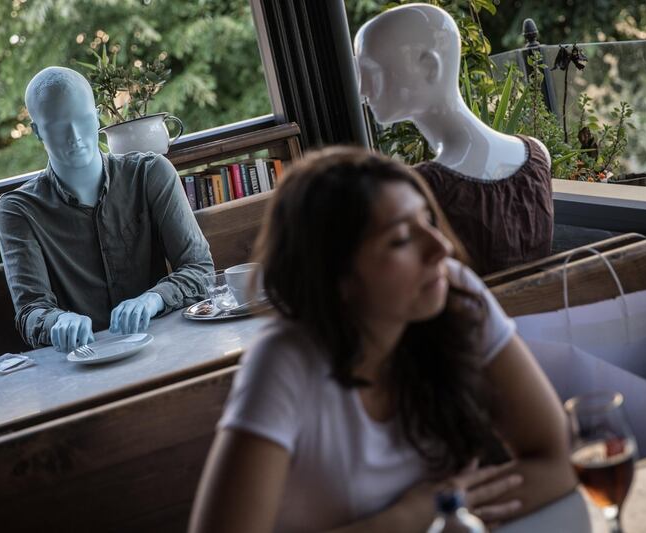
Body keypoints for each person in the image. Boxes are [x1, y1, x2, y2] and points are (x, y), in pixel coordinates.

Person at [189, 147, 575, 533]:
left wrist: (455, 515)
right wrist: (414, 517)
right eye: (402, 239)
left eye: (428, 221)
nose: (440, 248)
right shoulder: (285, 359)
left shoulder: (452, 292)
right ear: (336, 275)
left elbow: (558, 462)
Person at [0, 66, 213, 353]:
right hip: (83, 363)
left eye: (83, 119)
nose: (74, 136)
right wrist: (58, 321)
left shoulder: (150, 174)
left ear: (97, 114)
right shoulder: (18, 210)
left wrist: (153, 299)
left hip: (166, 347)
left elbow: (200, 269)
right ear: (37, 132)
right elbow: (30, 312)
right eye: (58, 126)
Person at [354, 4, 554, 275]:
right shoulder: (537, 155)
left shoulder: (420, 188)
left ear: (429, 67)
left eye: (372, 72)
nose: (363, 89)